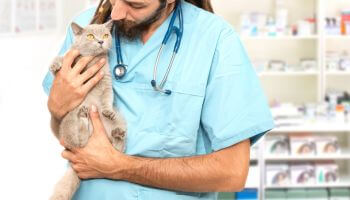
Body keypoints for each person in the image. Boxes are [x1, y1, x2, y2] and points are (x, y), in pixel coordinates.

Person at [42, 0, 275, 199]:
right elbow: (67, 133)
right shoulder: (91, 25)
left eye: (135, 4)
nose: (116, 14)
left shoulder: (215, 39)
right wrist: (56, 106)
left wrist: (120, 167)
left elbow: (231, 172)